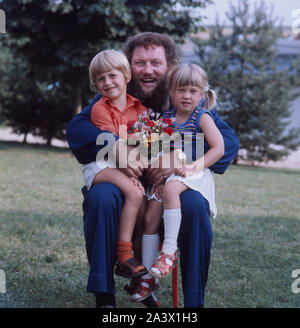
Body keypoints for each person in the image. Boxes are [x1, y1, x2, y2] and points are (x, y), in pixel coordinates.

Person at [66, 32, 239, 308]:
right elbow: (77, 129)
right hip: (128, 183)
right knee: (101, 196)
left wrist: (179, 155)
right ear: (127, 69)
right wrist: (114, 145)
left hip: (168, 186)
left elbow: (228, 143)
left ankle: (194, 302)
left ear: (169, 67)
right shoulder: (117, 94)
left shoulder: (184, 98)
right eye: (140, 63)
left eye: (155, 63)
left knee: (194, 203)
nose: (148, 70)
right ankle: (104, 297)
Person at [131, 63, 224, 302]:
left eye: (193, 91)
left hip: (193, 172)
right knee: (150, 216)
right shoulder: (166, 117)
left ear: (202, 95)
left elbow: (219, 148)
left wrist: (194, 166)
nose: (187, 96)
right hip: (170, 174)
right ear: (171, 92)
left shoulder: (202, 117)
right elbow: (155, 150)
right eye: (181, 90)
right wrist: (156, 172)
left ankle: (169, 251)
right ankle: (150, 276)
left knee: (172, 188)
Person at [84, 49, 148, 280]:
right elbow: (112, 149)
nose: (107, 82)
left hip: (126, 167)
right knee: (134, 192)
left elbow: (144, 144)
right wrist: (131, 178)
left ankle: (143, 274)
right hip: (101, 166)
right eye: (101, 79)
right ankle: (123, 256)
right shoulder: (100, 109)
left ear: (127, 76)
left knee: (143, 207)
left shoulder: (140, 109)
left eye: (113, 76)